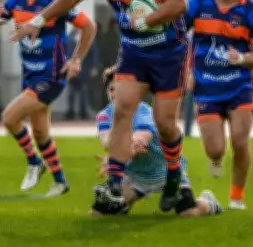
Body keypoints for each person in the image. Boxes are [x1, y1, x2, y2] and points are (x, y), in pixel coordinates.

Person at [12, 0, 188, 213]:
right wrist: (40, 19)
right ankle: (115, 183)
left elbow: (179, 4)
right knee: (122, 109)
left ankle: (174, 175)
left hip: (169, 56)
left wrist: (146, 21)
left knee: (165, 124)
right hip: (133, 52)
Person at [0, 0, 96, 197]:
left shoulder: (56, 2)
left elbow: (89, 26)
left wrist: (76, 60)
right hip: (29, 76)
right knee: (41, 132)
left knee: (9, 117)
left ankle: (34, 162)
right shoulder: (16, 2)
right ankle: (60, 182)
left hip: (51, 76)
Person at [183, 0, 253, 210]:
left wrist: (241, 59)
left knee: (241, 141)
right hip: (206, 86)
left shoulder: (252, 12)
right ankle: (216, 159)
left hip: (238, 86)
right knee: (216, 149)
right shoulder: (196, 5)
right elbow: (176, 40)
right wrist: (185, 71)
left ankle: (237, 196)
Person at [92, 66, 223, 217]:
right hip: (135, 175)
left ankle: (209, 202)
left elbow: (140, 141)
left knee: (188, 212)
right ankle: (123, 205)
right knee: (99, 213)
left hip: (166, 171)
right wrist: (115, 155)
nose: (115, 93)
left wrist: (116, 159)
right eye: (111, 89)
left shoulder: (144, 111)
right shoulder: (104, 116)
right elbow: (108, 141)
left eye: (119, 88)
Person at [65, 26, 99, 120]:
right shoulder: (69, 39)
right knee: (71, 92)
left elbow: (94, 53)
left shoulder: (88, 38)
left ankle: (83, 112)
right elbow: (65, 53)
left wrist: (94, 67)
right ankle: (70, 112)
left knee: (84, 92)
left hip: (84, 70)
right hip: (72, 70)